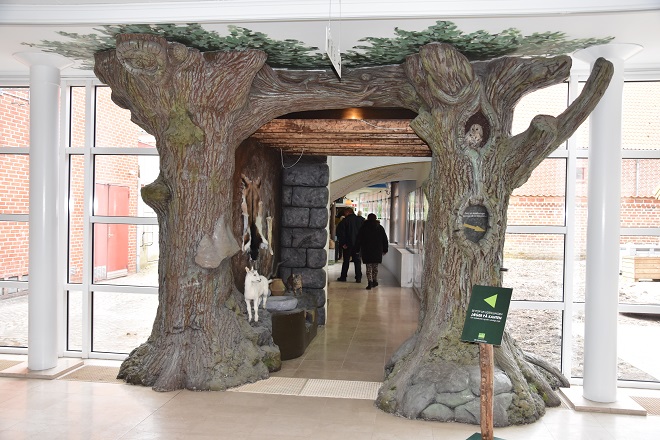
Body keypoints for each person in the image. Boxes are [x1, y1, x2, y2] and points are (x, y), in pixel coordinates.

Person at [356, 213, 389, 290]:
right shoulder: (380, 227)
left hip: (366, 250)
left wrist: (357, 249)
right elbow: (385, 239)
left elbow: (359, 239)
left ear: (368, 218)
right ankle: (375, 280)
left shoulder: (363, 227)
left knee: (368, 267)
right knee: (375, 267)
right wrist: (385, 249)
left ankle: (369, 282)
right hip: (377, 250)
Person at [335, 207, 364, 282]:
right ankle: (358, 277)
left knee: (346, 261)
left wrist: (343, 243)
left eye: (345, 213)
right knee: (357, 261)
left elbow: (340, 233)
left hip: (347, 245)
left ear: (348, 212)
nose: (344, 214)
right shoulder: (361, 220)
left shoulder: (345, 221)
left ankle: (343, 277)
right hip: (358, 245)